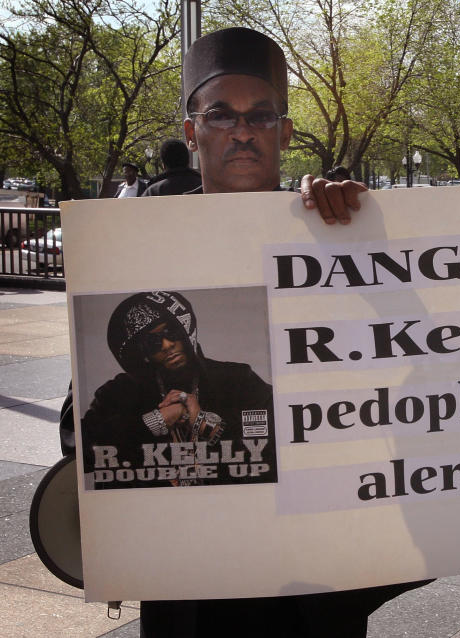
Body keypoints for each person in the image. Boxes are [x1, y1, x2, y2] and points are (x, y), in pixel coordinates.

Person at [60, 26, 424, 637]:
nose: (242, 129)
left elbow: (407, 363)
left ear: (284, 131)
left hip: (310, 588)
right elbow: (79, 437)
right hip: (189, 588)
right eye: (220, 113)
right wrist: (157, 427)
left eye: (261, 115)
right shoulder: (140, 254)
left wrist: (362, 237)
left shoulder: (333, 234)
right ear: (191, 130)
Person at [80, 291, 275, 490]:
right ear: (143, 353)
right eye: (153, 342)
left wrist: (207, 425)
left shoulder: (237, 378)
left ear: (185, 332)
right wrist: (153, 422)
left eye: (171, 333)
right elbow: (81, 449)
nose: (167, 345)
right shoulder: (119, 392)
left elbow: (278, 436)